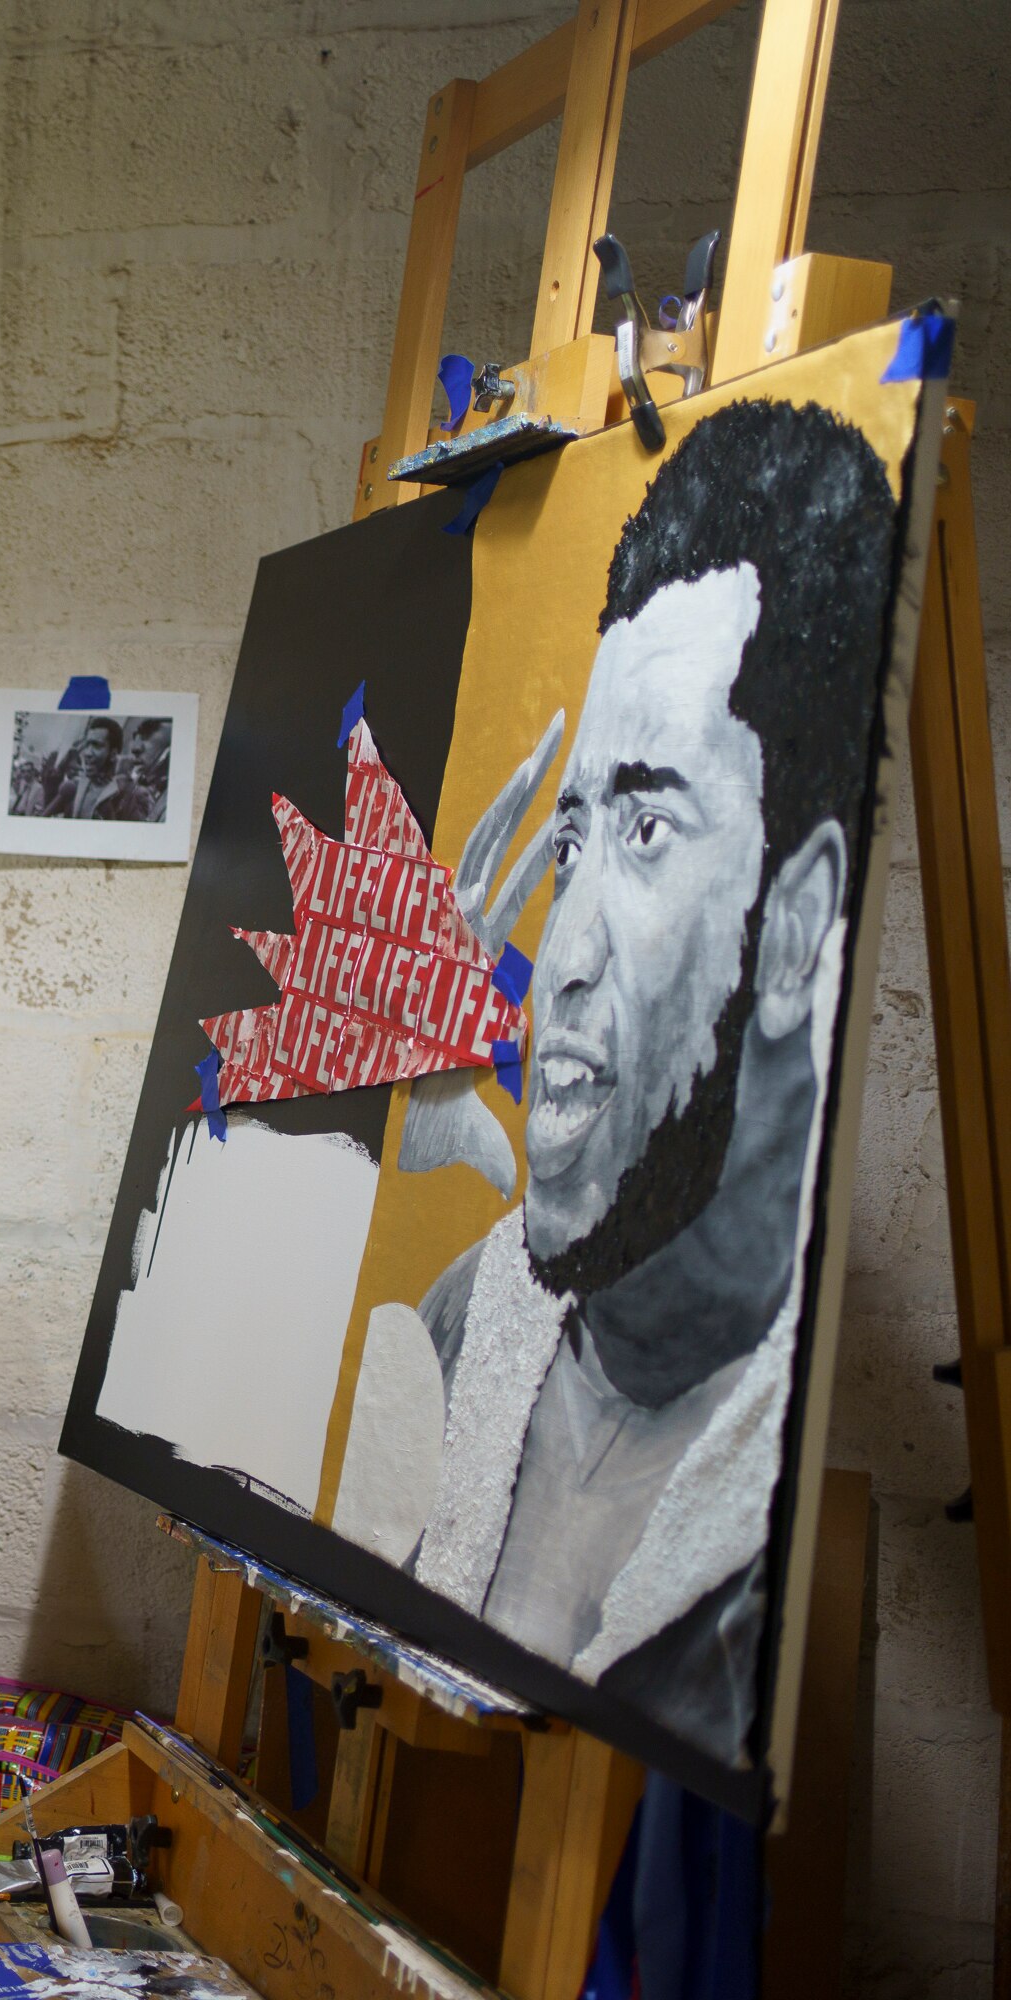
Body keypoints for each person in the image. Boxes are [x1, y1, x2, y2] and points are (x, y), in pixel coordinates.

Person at [401, 399, 896, 1759]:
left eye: (649, 825)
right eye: (573, 843)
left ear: (797, 925)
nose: (553, 954)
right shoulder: (463, 1325)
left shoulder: (750, 1540)